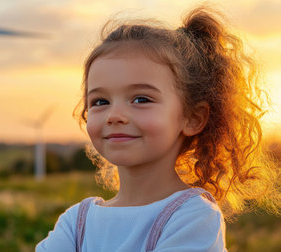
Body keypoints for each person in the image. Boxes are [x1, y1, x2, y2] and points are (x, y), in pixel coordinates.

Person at [36, 5, 280, 252]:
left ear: (192, 118)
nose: (114, 115)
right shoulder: (77, 222)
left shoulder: (192, 216)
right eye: (100, 101)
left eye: (141, 99)